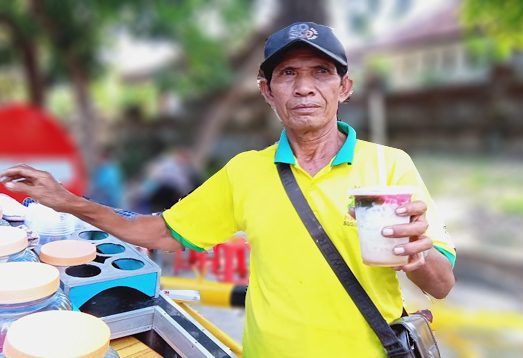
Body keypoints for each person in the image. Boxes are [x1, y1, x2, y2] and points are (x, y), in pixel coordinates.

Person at [0, 22, 455, 357]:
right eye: (287, 73)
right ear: (267, 91)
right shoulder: (245, 172)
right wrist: (67, 201)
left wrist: (418, 256)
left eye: (321, 72)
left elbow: (441, 284)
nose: (304, 88)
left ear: (345, 87)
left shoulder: (391, 165)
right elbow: (159, 233)